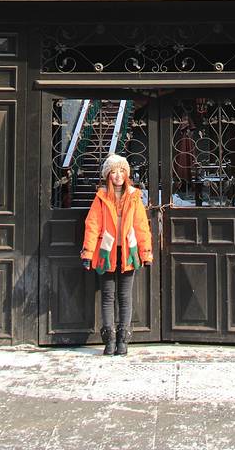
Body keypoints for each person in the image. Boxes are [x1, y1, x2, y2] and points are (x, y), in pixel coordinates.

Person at [80, 153, 153, 356]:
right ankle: (109, 340)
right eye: (114, 171)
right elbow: (92, 226)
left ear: (127, 174)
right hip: (106, 252)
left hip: (128, 252)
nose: (119, 175)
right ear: (108, 175)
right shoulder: (101, 197)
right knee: (108, 295)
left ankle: (123, 339)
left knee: (125, 296)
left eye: (122, 170)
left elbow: (141, 226)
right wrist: (88, 253)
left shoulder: (134, 196)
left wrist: (146, 253)